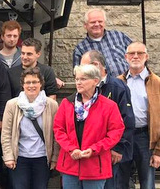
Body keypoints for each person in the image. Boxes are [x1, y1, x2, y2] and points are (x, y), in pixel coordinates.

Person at [54, 64, 124, 189]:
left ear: (95, 81)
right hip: (70, 164)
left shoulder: (109, 106)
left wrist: (94, 149)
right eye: (77, 79)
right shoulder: (66, 103)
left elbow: (115, 132)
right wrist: (71, 149)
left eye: (83, 79)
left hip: (95, 166)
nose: (78, 82)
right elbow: (59, 130)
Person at [79, 50, 135, 189]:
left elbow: (126, 120)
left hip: (112, 153)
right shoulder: (83, 88)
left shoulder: (117, 87)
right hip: (92, 153)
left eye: (83, 66)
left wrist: (117, 148)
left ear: (95, 65)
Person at [1, 67, 60, 189]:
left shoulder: (51, 105)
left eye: (35, 82)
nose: (31, 85)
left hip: (42, 158)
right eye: (28, 82)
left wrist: (54, 158)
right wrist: (8, 156)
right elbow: (6, 133)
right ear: (22, 84)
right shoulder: (12, 105)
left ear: (41, 84)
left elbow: (56, 134)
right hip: (20, 158)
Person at [117, 42, 160, 189]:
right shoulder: (118, 82)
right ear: (126, 57)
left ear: (146, 56)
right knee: (120, 182)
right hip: (122, 138)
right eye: (132, 53)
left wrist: (158, 151)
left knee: (147, 183)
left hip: (145, 137)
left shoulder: (157, 83)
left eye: (140, 53)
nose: (136, 56)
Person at [73, 8, 132, 77]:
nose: (97, 24)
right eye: (93, 22)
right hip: (101, 86)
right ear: (85, 25)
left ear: (104, 23)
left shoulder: (119, 36)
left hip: (128, 82)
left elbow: (137, 54)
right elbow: (78, 74)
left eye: (100, 21)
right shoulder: (80, 49)